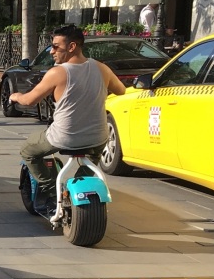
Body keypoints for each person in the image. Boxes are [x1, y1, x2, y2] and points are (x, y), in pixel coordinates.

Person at [9, 24, 127, 214]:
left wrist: (15, 96)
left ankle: (49, 190)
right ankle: (84, 186)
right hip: (98, 137)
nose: (52, 51)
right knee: (92, 157)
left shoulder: (58, 72)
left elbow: (29, 101)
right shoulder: (102, 68)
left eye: (56, 46)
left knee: (28, 151)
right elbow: (121, 89)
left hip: (64, 137)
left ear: (72, 47)